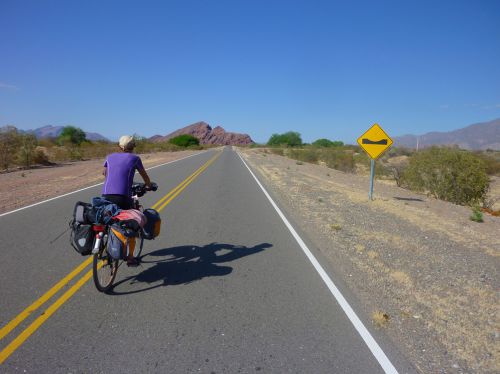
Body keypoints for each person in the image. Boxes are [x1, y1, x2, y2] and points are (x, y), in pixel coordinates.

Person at [102, 135, 151, 266]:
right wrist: (149, 185)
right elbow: (144, 175)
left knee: (108, 218)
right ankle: (130, 257)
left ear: (119, 146)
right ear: (133, 146)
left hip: (106, 195)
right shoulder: (135, 158)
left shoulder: (109, 157)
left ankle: (105, 244)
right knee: (132, 224)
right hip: (123, 197)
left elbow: (104, 173)